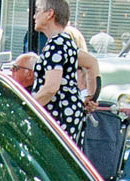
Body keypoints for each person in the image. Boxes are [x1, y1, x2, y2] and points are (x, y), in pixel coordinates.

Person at [30, 0, 84, 145]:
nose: (34, 16)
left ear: (50, 14)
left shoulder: (56, 44)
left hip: (57, 113)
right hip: (67, 111)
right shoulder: (66, 41)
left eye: (37, 10)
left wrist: (27, 107)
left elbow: (51, 87)